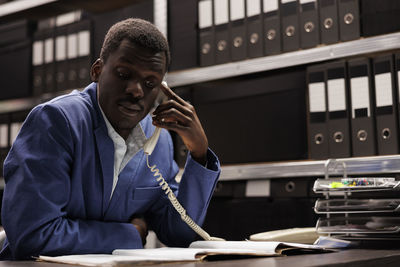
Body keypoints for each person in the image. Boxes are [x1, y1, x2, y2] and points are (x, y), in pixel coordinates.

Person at [0, 18, 220, 260]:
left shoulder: (160, 141)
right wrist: (131, 234)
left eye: (150, 83)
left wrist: (199, 153)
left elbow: (179, 234)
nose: (136, 90)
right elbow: (33, 237)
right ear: (97, 70)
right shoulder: (56, 122)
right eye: (124, 74)